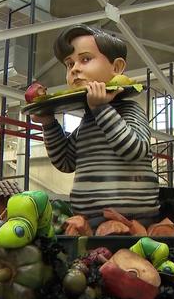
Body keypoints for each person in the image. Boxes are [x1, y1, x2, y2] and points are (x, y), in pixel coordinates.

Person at [31, 24, 159, 228]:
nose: (75, 69)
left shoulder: (130, 110)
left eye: (85, 59)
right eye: (69, 64)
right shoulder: (88, 121)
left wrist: (101, 109)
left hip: (132, 220)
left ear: (116, 68)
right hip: (87, 221)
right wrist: (49, 124)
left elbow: (134, 150)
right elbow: (65, 162)